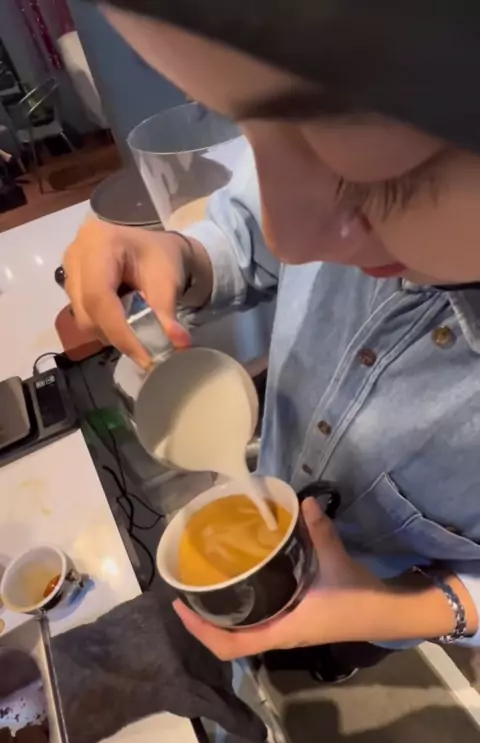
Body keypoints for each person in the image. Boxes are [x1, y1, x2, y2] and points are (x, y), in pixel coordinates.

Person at [65, 0, 480, 666]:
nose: (289, 238)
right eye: (248, 126)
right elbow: (249, 232)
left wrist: (401, 611)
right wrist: (180, 257)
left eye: (367, 170)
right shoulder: (307, 197)